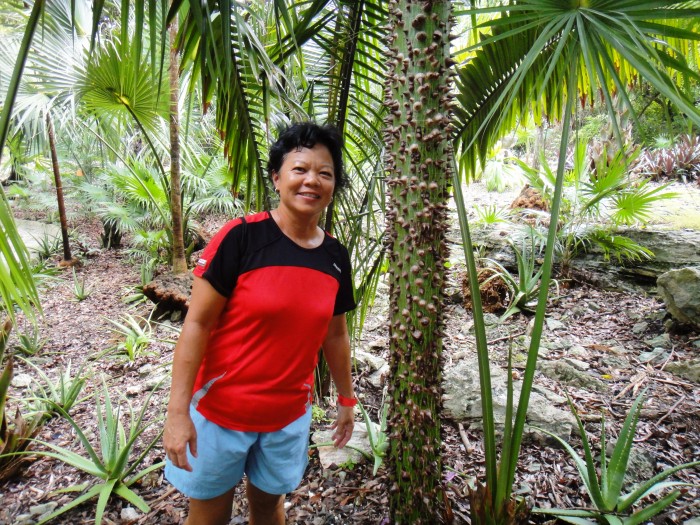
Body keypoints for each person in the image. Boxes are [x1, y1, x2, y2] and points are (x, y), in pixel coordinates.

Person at [163, 122, 357, 525]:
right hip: (219, 415)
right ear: (277, 176)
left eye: (325, 173)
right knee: (209, 515)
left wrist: (346, 399)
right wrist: (177, 412)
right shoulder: (241, 238)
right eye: (300, 169)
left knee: (269, 508)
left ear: (334, 185)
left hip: (287, 418)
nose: (312, 181)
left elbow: (334, 334)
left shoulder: (336, 256)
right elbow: (196, 325)